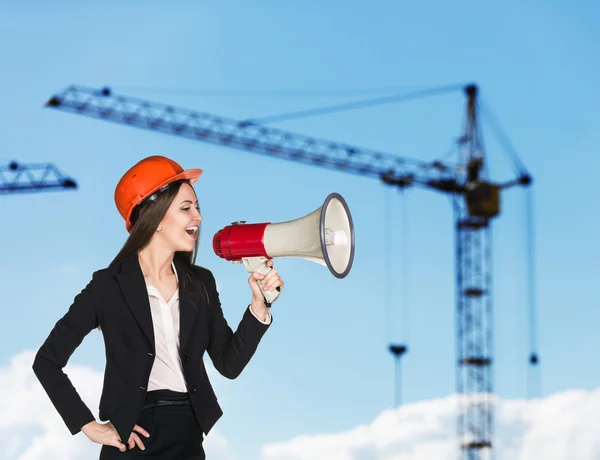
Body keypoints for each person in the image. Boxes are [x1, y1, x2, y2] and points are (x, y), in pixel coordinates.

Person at [32, 155, 283, 459]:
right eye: (186, 208)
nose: (199, 218)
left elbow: (228, 364)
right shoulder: (108, 286)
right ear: (157, 216)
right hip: (133, 439)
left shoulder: (201, 282)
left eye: (198, 208)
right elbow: (46, 361)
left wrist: (259, 306)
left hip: (189, 435)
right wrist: (87, 425)